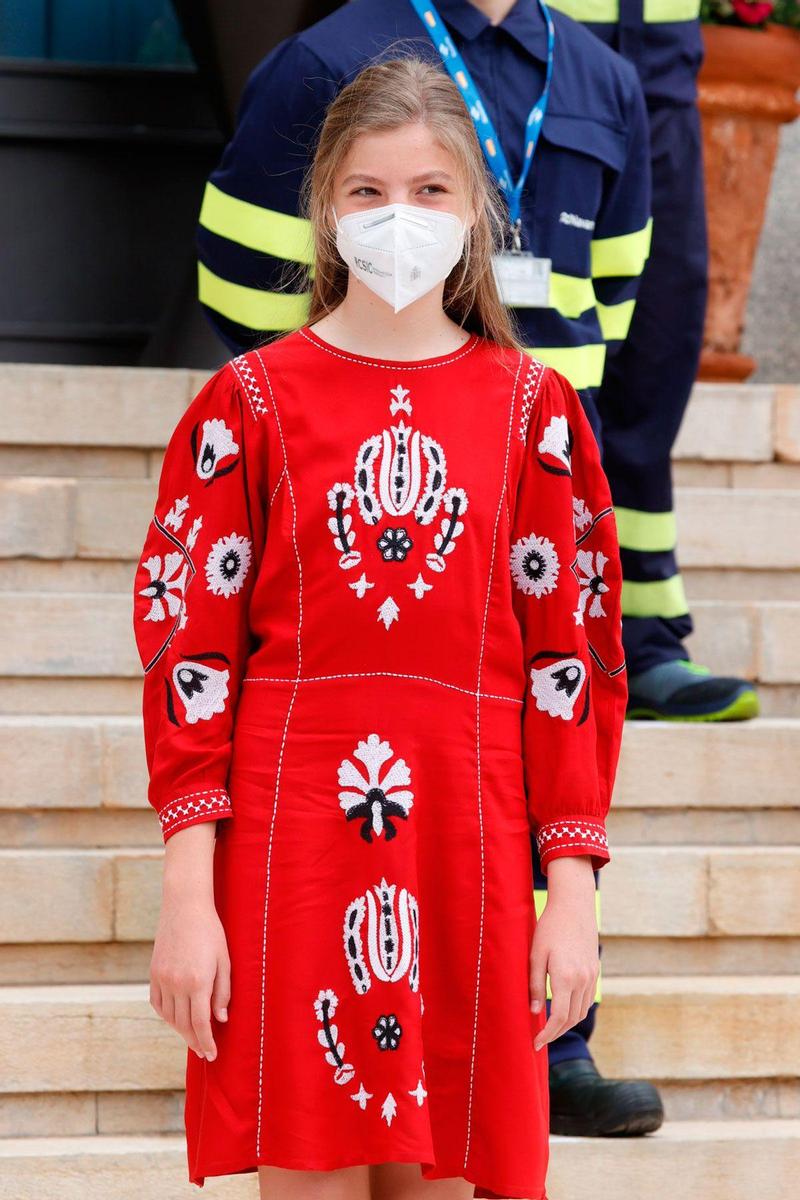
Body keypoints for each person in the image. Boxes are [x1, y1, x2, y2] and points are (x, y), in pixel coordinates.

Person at [133, 56, 626, 1199]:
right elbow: (188, 654)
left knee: (450, 1173)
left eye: (427, 191)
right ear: (322, 206)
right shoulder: (244, 407)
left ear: (475, 212)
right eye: (365, 191)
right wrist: (184, 896)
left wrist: (574, 902)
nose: (395, 217)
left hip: (474, 843)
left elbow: (573, 665)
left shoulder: (535, 417)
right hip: (286, 847)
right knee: (304, 1175)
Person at [546, 0, 758, 722]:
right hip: (534, 49)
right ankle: (543, 624)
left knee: (659, 339)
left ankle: (643, 635)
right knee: (550, 345)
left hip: (663, 63)